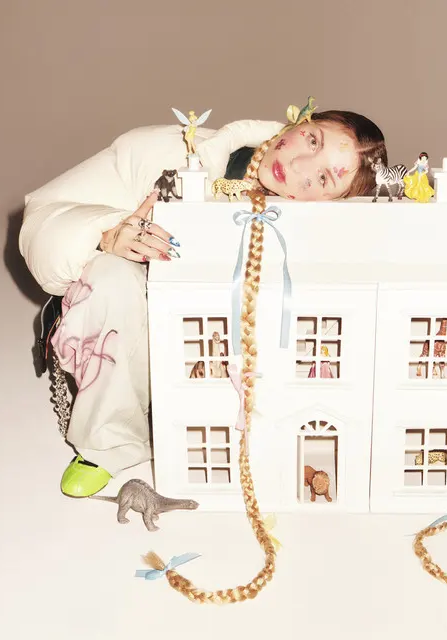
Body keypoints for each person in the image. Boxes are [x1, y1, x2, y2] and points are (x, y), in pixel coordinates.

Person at [19, 109, 388, 497]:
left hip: (221, 363)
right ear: (299, 122)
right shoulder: (168, 149)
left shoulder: (325, 233)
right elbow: (45, 215)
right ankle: (109, 442)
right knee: (110, 277)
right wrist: (105, 233)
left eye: (325, 177)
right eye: (312, 139)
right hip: (133, 334)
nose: (299, 165)